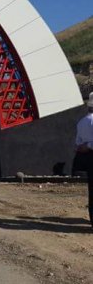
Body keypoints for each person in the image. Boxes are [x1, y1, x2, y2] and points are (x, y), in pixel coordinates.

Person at [75, 93, 93, 226]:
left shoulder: (81, 122)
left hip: (88, 159)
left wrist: (85, 147)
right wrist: (89, 146)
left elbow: (78, 143)